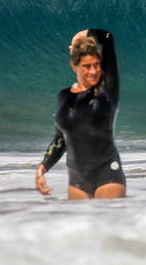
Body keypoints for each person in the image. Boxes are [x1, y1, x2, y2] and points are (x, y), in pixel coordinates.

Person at [35, 28, 126, 199]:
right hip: (77, 179)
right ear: (74, 66)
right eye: (86, 66)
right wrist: (43, 167)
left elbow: (108, 38)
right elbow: (61, 139)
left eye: (96, 65)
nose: (93, 71)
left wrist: (83, 35)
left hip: (107, 173)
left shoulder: (107, 89)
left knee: (107, 217)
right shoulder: (64, 96)